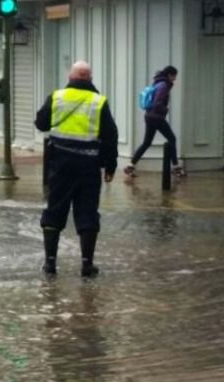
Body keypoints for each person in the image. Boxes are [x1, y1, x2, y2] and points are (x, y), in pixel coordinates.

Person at [34, 61, 118, 278]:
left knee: (55, 209)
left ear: (70, 78)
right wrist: (111, 166)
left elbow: (41, 124)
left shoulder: (57, 97)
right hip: (89, 168)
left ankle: (50, 264)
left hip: (60, 166)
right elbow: (111, 136)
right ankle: (86, 265)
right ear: (90, 79)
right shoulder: (98, 102)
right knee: (87, 212)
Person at [125, 66, 185, 177]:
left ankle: (130, 166)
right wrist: (165, 109)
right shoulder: (163, 86)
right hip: (156, 118)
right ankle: (176, 167)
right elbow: (157, 103)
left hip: (149, 116)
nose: (175, 78)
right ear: (169, 75)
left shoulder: (158, 83)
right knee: (172, 138)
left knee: (147, 142)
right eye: (174, 76)